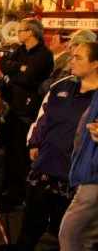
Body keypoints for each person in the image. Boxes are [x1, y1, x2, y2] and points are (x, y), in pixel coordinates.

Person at [16, 42, 98, 249]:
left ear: (95, 64)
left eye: (78, 57)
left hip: (75, 174)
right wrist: (34, 143)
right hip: (46, 164)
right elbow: (43, 116)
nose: (71, 60)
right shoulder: (62, 85)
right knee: (31, 222)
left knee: (66, 230)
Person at [0, 17, 53, 207]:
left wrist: (16, 72)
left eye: (21, 30)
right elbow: (4, 63)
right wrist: (18, 68)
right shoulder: (19, 50)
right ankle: (6, 188)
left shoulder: (44, 55)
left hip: (26, 110)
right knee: (8, 152)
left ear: (31, 32)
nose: (18, 33)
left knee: (20, 155)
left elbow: (29, 77)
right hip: (12, 107)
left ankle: (18, 194)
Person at [59, 90, 98, 251]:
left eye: (78, 61)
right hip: (87, 172)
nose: (72, 62)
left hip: (94, 177)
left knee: (73, 234)